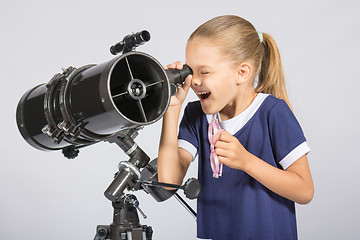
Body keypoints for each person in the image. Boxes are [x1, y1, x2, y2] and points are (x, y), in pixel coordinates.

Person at [157, 15, 314, 240]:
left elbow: (305, 191)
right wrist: (172, 109)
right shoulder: (195, 115)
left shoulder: (272, 112)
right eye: (191, 71)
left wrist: (247, 162)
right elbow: (168, 184)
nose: (195, 81)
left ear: (242, 72)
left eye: (205, 72)